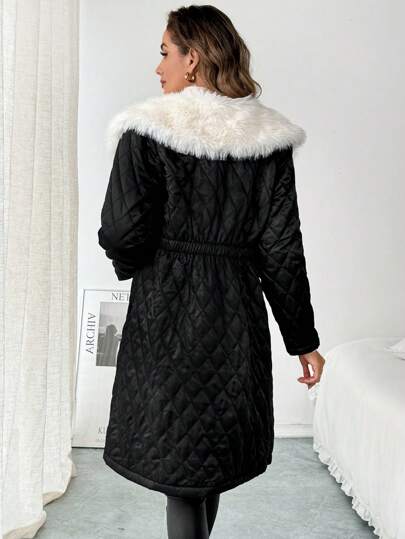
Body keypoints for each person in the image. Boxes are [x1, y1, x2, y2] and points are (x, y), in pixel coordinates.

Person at [98, 5, 325, 538]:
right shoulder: (266, 140)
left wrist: (140, 264)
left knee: (182, 469)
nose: (158, 68)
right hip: (236, 317)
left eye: (165, 53)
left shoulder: (146, 131)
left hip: (167, 313)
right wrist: (303, 340)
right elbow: (282, 250)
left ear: (193, 59)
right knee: (207, 461)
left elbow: (121, 231)